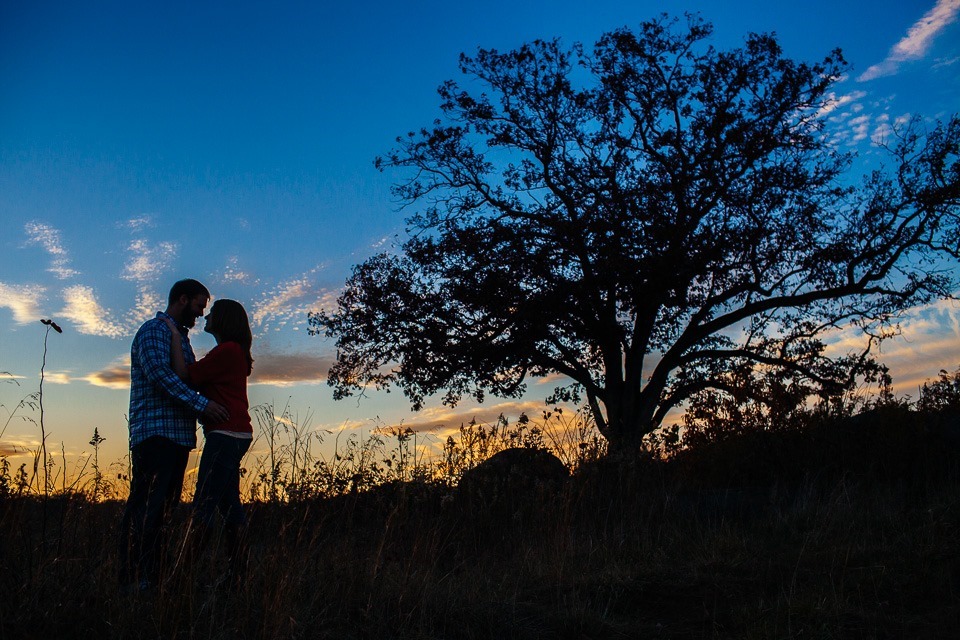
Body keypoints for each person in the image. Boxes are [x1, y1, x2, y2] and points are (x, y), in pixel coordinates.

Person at [118, 279, 229, 592]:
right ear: (183, 299)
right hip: (155, 435)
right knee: (146, 508)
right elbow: (160, 377)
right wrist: (203, 405)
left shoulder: (179, 338)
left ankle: (151, 579)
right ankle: (133, 580)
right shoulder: (154, 330)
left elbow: (187, 379)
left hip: (175, 437)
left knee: (163, 511)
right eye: (198, 306)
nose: (199, 315)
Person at [164, 298, 254, 582]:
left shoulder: (227, 351)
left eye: (212, 313)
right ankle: (238, 576)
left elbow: (183, 376)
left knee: (203, 505)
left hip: (226, 435)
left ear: (224, 320)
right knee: (229, 505)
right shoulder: (231, 351)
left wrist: (176, 338)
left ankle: (179, 577)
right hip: (235, 434)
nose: (206, 316)